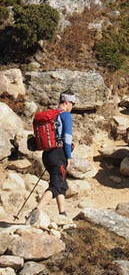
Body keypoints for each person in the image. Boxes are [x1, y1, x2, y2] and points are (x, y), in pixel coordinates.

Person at [30, 93, 76, 223]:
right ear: (67, 102)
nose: (72, 107)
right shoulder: (65, 115)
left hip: (47, 154)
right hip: (59, 154)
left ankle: (62, 214)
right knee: (55, 186)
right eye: (72, 104)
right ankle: (35, 212)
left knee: (61, 184)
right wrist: (68, 155)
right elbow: (67, 137)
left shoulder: (52, 115)